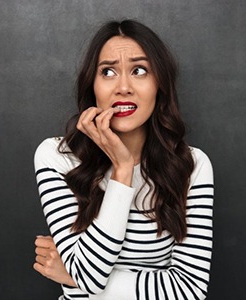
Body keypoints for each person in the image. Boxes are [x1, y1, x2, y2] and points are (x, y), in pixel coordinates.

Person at [33, 19, 214, 300]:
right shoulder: (57, 157)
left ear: (159, 85)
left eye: (139, 70)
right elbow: (88, 276)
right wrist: (123, 169)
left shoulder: (192, 165)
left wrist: (71, 276)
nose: (123, 87)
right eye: (107, 72)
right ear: (92, 85)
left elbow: (190, 290)